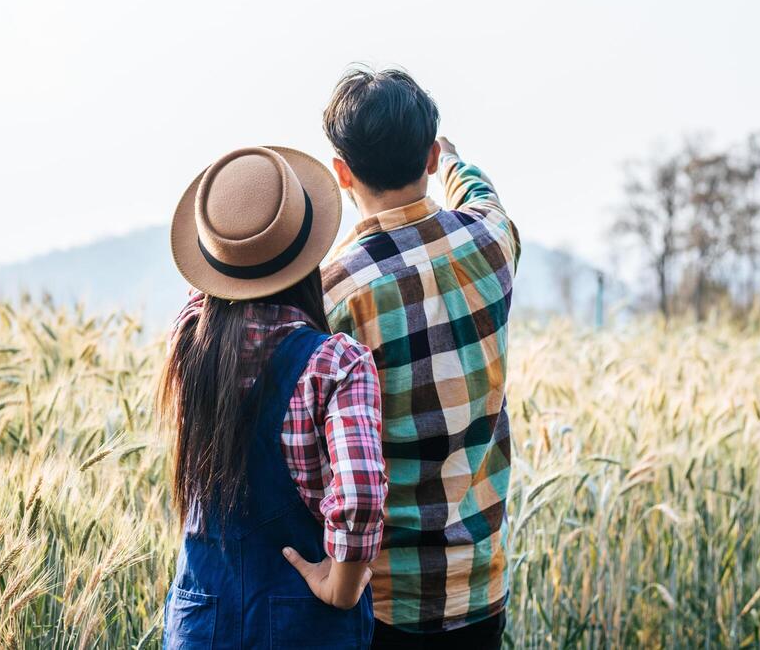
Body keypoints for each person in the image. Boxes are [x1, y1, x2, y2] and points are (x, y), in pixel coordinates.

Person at [320, 68, 520, 648]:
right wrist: (457, 162)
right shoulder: (492, 243)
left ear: (341, 173)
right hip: (481, 589)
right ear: (430, 156)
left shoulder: (333, 293)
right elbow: (483, 196)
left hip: (382, 602)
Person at [162, 145, 386, 648]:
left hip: (200, 624)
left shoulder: (188, 347)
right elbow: (363, 494)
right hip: (305, 627)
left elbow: (204, 301)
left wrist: (230, 251)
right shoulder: (336, 364)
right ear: (307, 253)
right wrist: (342, 587)